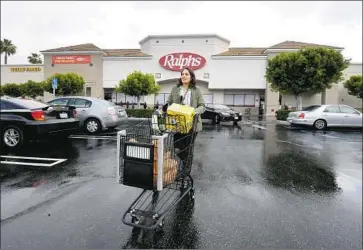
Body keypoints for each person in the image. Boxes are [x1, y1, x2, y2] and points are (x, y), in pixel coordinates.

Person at [162, 67, 205, 175]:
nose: (184, 76)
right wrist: (165, 108)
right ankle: (182, 167)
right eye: (182, 74)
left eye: (186, 74)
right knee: (177, 148)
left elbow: (202, 106)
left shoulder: (196, 90)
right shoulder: (175, 89)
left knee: (187, 149)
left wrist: (193, 111)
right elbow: (169, 102)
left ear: (191, 77)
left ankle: (185, 172)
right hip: (178, 124)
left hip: (192, 124)